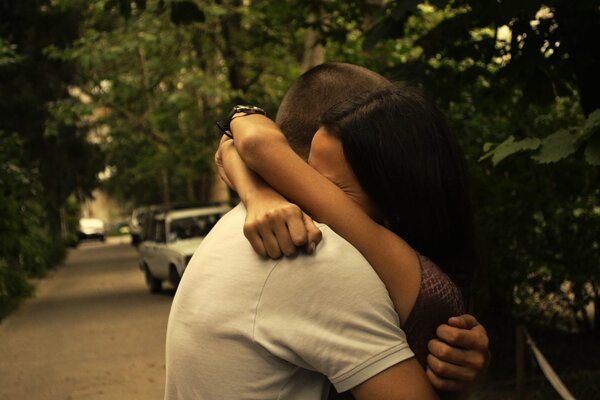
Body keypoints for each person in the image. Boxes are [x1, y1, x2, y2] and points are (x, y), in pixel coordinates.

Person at [164, 63, 488, 400]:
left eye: (325, 185)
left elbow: (246, 148)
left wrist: (256, 188)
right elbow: (241, 150)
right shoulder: (314, 252)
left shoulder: (249, 227)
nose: (310, 192)